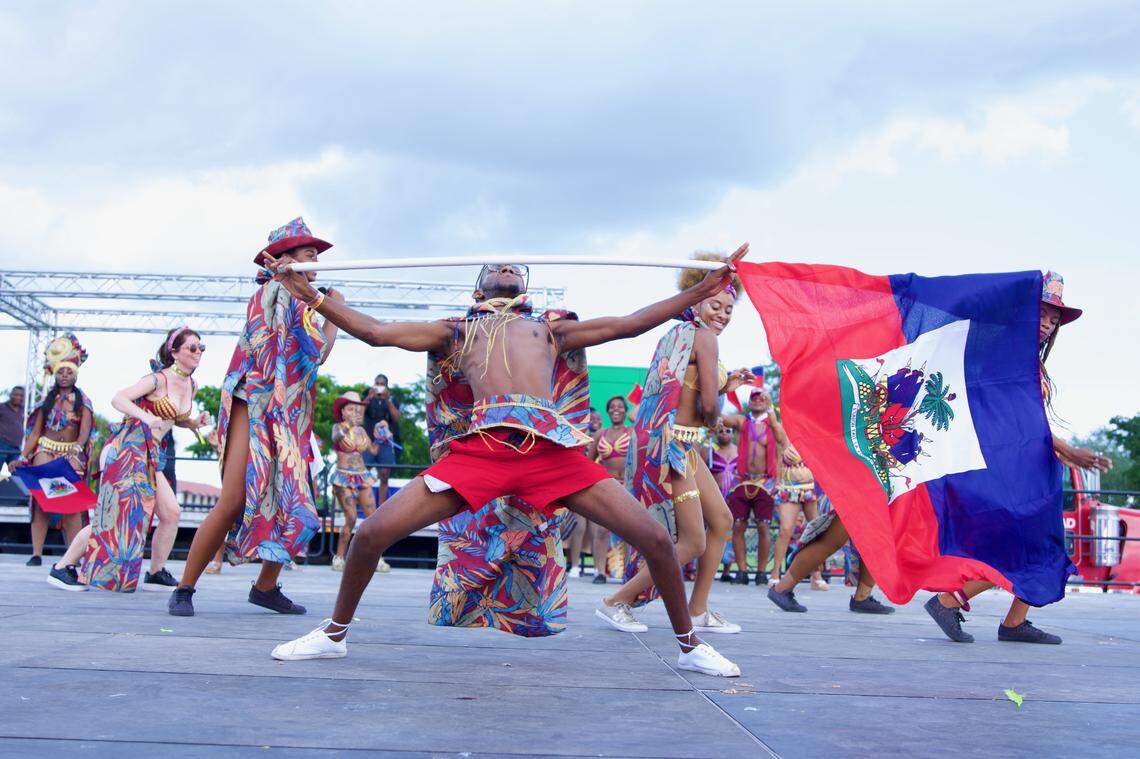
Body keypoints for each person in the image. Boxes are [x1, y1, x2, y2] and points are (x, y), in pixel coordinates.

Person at [268, 251, 748, 677]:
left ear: (525, 287)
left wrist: (704, 290)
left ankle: (688, 645)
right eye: (495, 266)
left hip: (550, 452)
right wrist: (309, 293)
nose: (505, 267)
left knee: (656, 539)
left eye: (514, 267)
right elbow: (375, 333)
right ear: (479, 287)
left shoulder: (550, 329)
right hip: (482, 452)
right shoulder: (455, 331)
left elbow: (629, 323)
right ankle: (333, 635)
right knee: (371, 533)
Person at [923, 271, 1113, 644]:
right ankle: (948, 601)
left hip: (1032, 468)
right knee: (1021, 544)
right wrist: (1067, 448)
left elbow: (1031, 421)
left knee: (1044, 545)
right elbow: (1012, 419)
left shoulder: (1024, 359)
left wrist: (1060, 453)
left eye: (1054, 318)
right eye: (1041, 313)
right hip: (1010, 469)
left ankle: (1013, 622)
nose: (1047, 323)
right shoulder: (1003, 357)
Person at [168, 217, 340, 617]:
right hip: (254, 402)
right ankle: (184, 588)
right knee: (232, 499)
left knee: (294, 498)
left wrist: (327, 310)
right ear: (283, 259)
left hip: (290, 413)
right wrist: (329, 314)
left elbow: (310, 361)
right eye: (308, 254)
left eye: (315, 255)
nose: (316, 261)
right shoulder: (271, 294)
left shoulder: (310, 298)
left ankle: (265, 587)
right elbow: (311, 352)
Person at [599, 252, 753, 638]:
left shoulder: (677, 334)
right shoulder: (703, 338)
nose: (722, 314)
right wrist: (721, 415)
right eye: (715, 304)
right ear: (695, 299)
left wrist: (724, 384)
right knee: (693, 542)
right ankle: (616, 600)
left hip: (680, 448)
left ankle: (697, 609)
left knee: (721, 522)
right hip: (676, 452)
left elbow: (690, 388)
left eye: (729, 309)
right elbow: (706, 408)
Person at [47, 327, 210, 592]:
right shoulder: (157, 379)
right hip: (126, 450)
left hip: (150, 455)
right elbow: (118, 398)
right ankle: (62, 568)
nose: (198, 353)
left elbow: (174, 417)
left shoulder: (191, 384)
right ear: (175, 351)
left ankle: (156, 573)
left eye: (201, 348)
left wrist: (193, 422)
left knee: (170, 513)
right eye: (192, 347)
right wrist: (146, 418)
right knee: (111, 517)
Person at [16, 335, 93, 566]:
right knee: (41, 499)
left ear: (75, 373)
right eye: (61, 372)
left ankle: (74, 556)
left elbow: (85, 432)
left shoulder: (83, 401)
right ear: (55, 374)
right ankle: (36, 554)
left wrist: (76, 450)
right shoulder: (46, 402)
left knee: (72, 503)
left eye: (69, 371)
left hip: (71, 451)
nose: (65, 375)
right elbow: (35, 434)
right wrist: (22, 456)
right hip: (46, 448)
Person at [766, 510, 896, 614]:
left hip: (869, 489)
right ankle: (782, 588)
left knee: (874, 539)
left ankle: (863, 597)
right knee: (832, 540)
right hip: (859, 490)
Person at [720, 389, 786, 585]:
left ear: (768, 402)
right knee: (738, 525)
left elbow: (782, 439)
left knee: (763, 526)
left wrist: (772, 411)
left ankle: (760, 573)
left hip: (765, 482)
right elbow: (721, 417)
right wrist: (721, 389)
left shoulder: (773, 425)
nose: (757, 400)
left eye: (761, 397)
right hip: (743, 480)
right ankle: (741, 572)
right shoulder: (742, 421)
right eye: (754, 397)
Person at [329, 391, 390, 573]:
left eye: (357, 409)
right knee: (351, 517)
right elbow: (336, 438)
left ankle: (376, 558)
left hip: (362, 475)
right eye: (350, 409)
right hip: (343, 477)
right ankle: (339, 557)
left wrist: (381, 437)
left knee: (373, 517)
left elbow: (372, 451)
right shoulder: (338, 427)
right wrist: (348, 425)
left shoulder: (361, 430)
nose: (355, 412)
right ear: (342, 412)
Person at [588, 397, 633, 584]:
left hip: (628, 487)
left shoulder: (632, 433)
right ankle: (600, 572)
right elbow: (589, 463)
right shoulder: (600, 434)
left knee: (632, 530)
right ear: (608, 411)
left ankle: (629, 572)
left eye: (620, 407)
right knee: (601, 530)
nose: (616, 410)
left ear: (625, 411)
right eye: (612, 407)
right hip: (607, 486)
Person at [362, 374, 401, 507]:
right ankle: (364, 505)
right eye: (377, 383)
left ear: (386, 385)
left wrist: (387, 400)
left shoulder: (392, 398)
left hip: (385, 443)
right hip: (368, 441)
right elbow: (360, 415)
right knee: (362, 473)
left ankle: (381, 508)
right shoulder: (367, 395)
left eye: (382, 384)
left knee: (384, 475)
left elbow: (396, 418)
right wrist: (369, 397)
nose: (379, 386)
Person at [0, 386, 25, 466]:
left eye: (21, 395)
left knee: (17, 473)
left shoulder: (24, 409)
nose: (18, 397)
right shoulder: (2, 407)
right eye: (16, 394)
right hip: (2, 445)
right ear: (10, 395)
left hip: (16, 447)